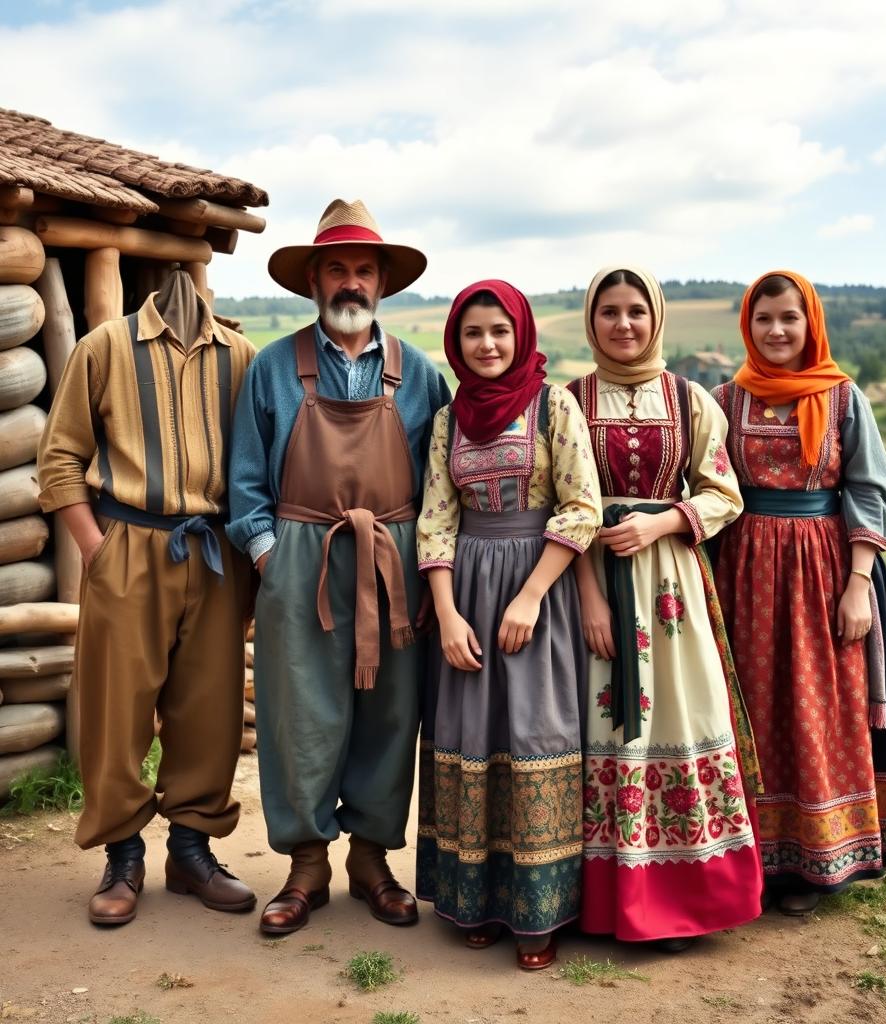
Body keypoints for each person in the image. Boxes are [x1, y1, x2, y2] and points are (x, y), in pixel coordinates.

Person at [227, 199, 451, 934]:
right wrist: (274, 561)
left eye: (363, 270)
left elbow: (440, 483)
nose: (350, 283)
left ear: (381, 284)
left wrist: (426, 568)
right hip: (302, 561)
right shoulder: (272, 367)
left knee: (391, 713)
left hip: (395, 564)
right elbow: (247, 484)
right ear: (314, 282)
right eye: (336, 270)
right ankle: (306, 865)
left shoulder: (417, 373)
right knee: (300, 718)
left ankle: (371, 861)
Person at [37, 270, 257, 926]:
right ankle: (123, 855)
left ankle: (191, 852)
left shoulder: (242, 357)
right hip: (128, 543)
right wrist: (95, 548)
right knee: (115, 709)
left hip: (217, 551)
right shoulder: (103, 347)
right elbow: (60, 457)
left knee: (211, 708)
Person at [713, 269, 886, 916]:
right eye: (763, 319)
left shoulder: (841, 398)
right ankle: (755, 857)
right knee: (751, 706)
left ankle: (816, 862)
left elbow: (868, 488)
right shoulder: (724, 400)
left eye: (789, 318)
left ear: (811, 325)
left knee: (815, 706)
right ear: (747, 327)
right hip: (744, 569)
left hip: (824, 568)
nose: (776, 331)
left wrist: (858, 583)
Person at [569, 265, 763, 949]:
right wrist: (588, 589)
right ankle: (605, 900)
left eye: (635, 311)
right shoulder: (567, 401)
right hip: (590, 580)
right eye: (609, 312)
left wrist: (664, 521)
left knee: (683, 711)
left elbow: (724, 492)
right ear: (590, 322)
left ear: (657, 319)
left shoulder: (689, 401)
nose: (623, 324)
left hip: (672, 588)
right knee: (602, 726)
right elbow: (556, 503)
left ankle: (685, 898)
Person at [415, 281, 601, 970]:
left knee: (533, 735)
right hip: (465, 590)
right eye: (472, 334)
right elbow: (436, 517)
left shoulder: (555, 406)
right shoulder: (448, 419)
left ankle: (538, 911)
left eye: (499, 331)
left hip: (538, 591)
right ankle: (478, 900)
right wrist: (446, 612)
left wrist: (529, 597)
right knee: (472, 739)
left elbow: (582, 507)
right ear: (456, 344)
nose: (487, 345)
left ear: (520, 334)